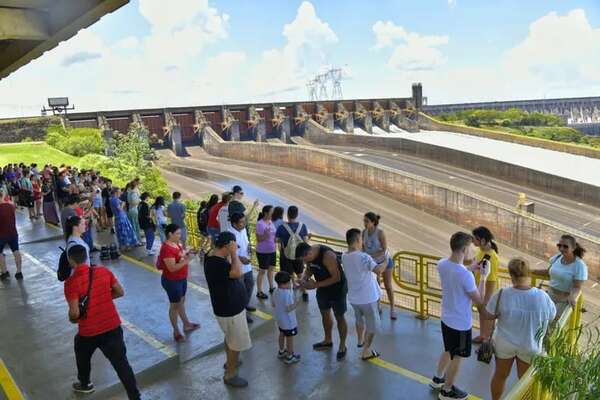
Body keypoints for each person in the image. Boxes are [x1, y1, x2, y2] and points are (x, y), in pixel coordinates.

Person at [63, 245, 141, 399]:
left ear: (71, 260)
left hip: (89, 332)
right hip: (112, 327)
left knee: (81, 351)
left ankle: (85, 383)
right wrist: (103, 297)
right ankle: (135, 396)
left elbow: (75, 313)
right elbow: (120, 291)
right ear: (86, 257)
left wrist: (73, 318)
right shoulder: (103, 271)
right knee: (121, 364)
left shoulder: (71, 283)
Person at [481, 258, 556, 400]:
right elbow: (551, 316)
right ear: (528, 274)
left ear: (511, 275)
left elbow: (488, 315)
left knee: (500, 376)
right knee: (524, 382)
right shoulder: (542, 296)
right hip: (530, 345)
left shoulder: (502, 294)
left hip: (504, 343)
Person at [430, 232, 489, 400]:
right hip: (461, 324)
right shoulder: (465, 275)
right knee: (458, 356)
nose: (472, 252)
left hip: (446, 318)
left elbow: (456, 272)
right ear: (464, 249)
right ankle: (447, 390)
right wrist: (483, 277)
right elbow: (479, 300)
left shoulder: (442, 264)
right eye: (470, 248)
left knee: (449, 349)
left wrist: (470, 269)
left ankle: (438, 378)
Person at [204, 231, 252, 388]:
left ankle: (230, 361)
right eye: (233, 246)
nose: (235, 248)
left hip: (228, 308)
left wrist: (234, 257)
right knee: (236, 343)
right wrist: (234, 254)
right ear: (226, 246)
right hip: (230, 310)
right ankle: (230, 374)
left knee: (230, 338)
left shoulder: (213, 256)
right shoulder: (216, 263)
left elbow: (230, 269)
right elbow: (236, 273)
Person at [296, 242, 348, 361]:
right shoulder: (309, 257)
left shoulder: (327, 256)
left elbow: (336, 277)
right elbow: (309, 269)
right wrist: (304, 279)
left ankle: (342, 345)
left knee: (339, 316)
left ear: (309, 253)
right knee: (325, 313)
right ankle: (328, 340)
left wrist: (315, 285)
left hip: (337, 289)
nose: (304, 263)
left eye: (304, 260)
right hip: (322, 288)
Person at [343, 228, 388, 360]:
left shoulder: (345, 256)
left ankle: (359, 340)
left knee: (359, 319)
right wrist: (386, 260)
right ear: (357, 240)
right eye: (361, 239)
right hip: (368, 298)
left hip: (354, 298)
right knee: (372, 327)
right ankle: (366, 351)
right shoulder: (364, 257)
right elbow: (378, 270)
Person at [156, 224, 200, 342]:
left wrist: (187, 253)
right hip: (172, 281)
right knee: (174, 306)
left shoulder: (177, 243)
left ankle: (186, 324)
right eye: (177, 234)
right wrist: (188, 260)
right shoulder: (166, 248)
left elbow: (180, 255)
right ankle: (176, 331)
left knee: (181, 302)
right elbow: (172, 268)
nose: (180, 236)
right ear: (170, 234)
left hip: (181, 279)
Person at [532, 234, 588, 318]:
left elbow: (577, 287)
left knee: (554, 324)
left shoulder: (580, 266)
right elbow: (549, 272)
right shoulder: (557, 257)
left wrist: (572, 297)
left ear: (573, 248)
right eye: (559, 245)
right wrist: (530, 271)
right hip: (550, 295)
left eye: (565, 246)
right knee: (541, 319)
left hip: (563, 300)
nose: (561, 249)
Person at [362, 212, 396, 319]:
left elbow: (384, 249)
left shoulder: (380, 233)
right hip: (372, 263)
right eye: (364, 221)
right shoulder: (364, 232)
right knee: (375, 285)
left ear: (373, 222)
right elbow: (363, 247)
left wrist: (370, 255)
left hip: (384, 261)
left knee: (388, 285)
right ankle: (378, 305)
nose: (364, 223)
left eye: (367, 221)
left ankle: (392, 308)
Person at [469, 226, 500, 343]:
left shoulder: (492, 256)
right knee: (482, 315)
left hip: (488, 293)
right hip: (479, 289)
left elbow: (491, 281)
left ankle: (486, 341)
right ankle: (482, 336)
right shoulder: (480, 251)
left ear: (482, 240)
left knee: (487, 318)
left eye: (474, 239)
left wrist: (486, 300)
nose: (472, 241)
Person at [276, 206, 309, 302]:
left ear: (288, 214)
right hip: (299, 256)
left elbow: (277, 240)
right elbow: (305, 241)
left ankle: (288, 296)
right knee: (300, 275)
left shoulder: (282, 227)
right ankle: (305, 293)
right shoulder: (302, 226)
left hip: (285, 255)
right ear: (297, 214)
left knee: (287, 276)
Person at [228, 213, 256, 324]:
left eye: (244, 221)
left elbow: (246, 242)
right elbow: (227, 252)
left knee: (250, 284)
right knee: (239, 290)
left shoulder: (243, 230)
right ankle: (242, 313)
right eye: (241, 222)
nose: (244, 224)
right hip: (237, 265)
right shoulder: (229, 234)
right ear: (234, 223)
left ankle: (245, 304)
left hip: (247, 264)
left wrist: (249, 248)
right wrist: (240, 258)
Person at [270, 271, 301, 364]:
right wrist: (296, 303)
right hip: (288, 322)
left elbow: (273, 304)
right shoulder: (286, 294)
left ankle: (281, 351)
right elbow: (288, 308)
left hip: (280, 320)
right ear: (286, 284)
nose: (290, 284)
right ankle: (290, 356)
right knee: (290, 338)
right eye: (289, 282)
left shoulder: (275, 291)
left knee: (282, 334)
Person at [255, 205, 277, 299]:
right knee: (262, 271)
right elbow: (259, 239)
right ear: (266, 213)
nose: (273, 213)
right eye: (272, 211)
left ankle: (271, 287)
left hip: (272, 250)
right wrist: (265, 235)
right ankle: (259, 291)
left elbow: (273, 236)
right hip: (263, 252)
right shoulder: (260, 224)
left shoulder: (271, 222)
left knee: (271, 269)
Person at [0, 194, 23, 280]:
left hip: (1, 234)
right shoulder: (11, 206)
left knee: (0, 253)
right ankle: (19, 272)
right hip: (13, 233)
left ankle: (4, 272)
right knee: (16, 251)